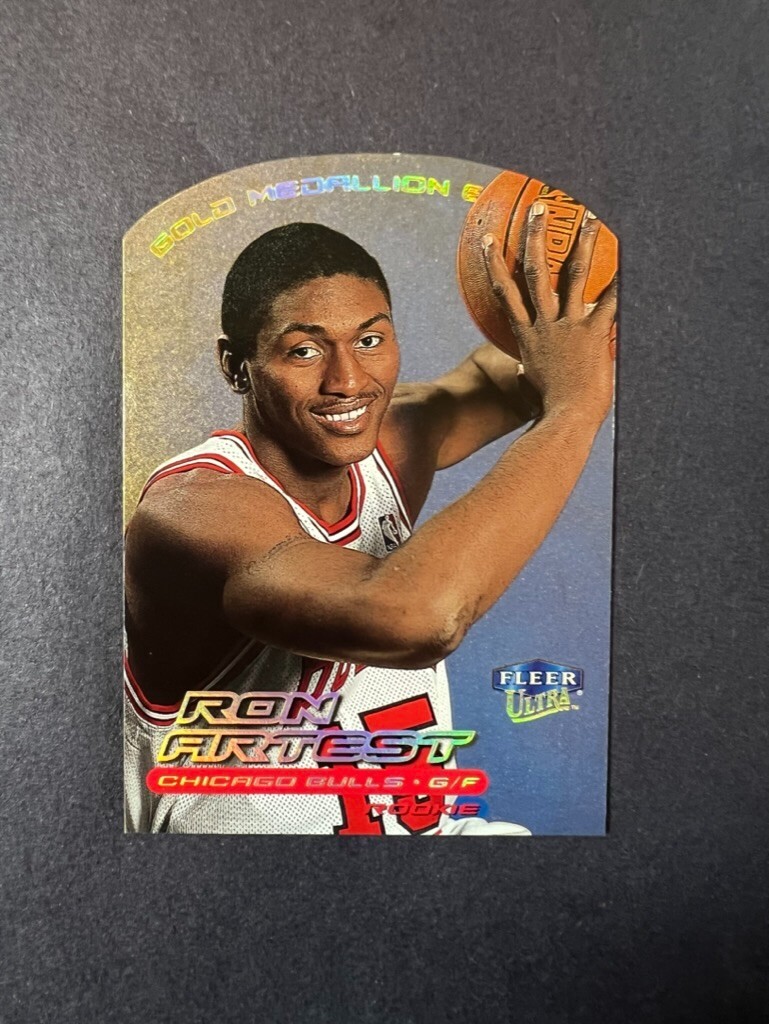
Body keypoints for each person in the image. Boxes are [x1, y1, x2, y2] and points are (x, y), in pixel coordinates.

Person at [124, 205, 617, 834]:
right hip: (238, 879)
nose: (348, 381)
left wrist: (593, 298)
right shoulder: (195, 512)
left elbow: (514, 372)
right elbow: (417, 619)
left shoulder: (390, 445)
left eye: (370, 340)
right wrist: (574, 410)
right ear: (234, 366)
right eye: (304, 351)